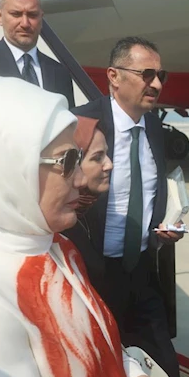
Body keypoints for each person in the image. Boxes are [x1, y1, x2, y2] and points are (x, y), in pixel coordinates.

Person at [0, 76, 186, 377]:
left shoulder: (55, 247)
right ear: (6, 170)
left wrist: (133, 375)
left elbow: (93, 345)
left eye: (79, 159)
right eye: (67, 162)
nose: (81, 178)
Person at [70, 36, 184, 377]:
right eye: (147, 74)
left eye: (161, 75)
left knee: (166, 371)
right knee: (100, 374)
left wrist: (164, 228)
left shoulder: (153, 126)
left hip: (142, 271)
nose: (157, 84)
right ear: (114, 76)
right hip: (93, 274)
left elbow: (151, 191)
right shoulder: (81, 125)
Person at [63, 115, 114, 294]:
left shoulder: (88, 213)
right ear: (73, 164)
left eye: (106, 154)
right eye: (97, 158)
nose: (109, 164)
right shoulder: (58, 229)